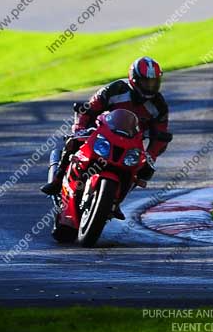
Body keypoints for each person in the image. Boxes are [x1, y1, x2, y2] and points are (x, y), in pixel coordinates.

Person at [40, 57, 170, 219]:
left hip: (132, 142)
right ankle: (57, 181)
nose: (150, 87)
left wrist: (151, 155)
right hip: (102, 132)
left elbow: (161, 134)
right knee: (73, 143)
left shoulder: (159, 105)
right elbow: (89, 108)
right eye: (146, 82)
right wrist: (80, 129)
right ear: (134, 79)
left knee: (141, 170)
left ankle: (114, 201)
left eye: (153, 82)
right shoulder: (116, 89)